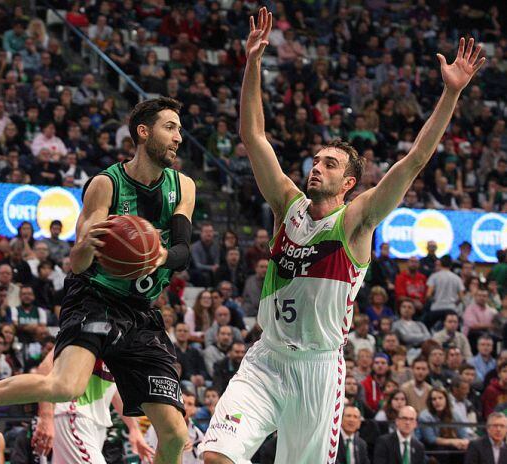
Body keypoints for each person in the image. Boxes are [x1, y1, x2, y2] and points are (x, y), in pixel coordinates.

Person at [200, 7, 485, 463]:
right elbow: (254, 136)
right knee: (215, 455)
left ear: (350, 183)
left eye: (329, 164)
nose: (316, 167)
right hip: (266, 359)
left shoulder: (356, 221)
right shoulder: (286, 205)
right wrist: (252, 64)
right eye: (315, 160)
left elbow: (413, 161)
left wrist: (451, 94)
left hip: (318, 371)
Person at [0, 96, 196, 463]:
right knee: (63, 385)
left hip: (141, 310)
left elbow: (184, 251)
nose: (178, 138)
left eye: (179, 130)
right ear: (143, 132)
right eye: (170, 128)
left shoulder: (183, 186)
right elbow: (77, 262)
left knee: (174, 433)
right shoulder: (106, 185)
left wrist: (160, 255)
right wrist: (88, 245)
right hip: (96, 296)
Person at [31, 350, 153, 463]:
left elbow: (113, 389)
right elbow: (45, 368)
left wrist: (134, 428)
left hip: (97, 425)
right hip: (74, 416)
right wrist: (46, 417)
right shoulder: (85, 328)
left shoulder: (121, 340)